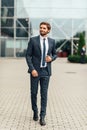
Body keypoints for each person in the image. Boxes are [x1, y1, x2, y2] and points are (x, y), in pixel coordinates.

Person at [26, 22, 57, 126]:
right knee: (34, 93)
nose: (42, 29)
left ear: (48, 30)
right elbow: (28, 56)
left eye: (44, 28)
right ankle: (35, 111)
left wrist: (51, 58)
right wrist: (32, 69)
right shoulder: (33, 40)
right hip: (35, 71)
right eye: (41, 28)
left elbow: (55, 54)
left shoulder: (52, 41)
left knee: (44, 95)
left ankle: (42, 116)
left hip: (46, 72)